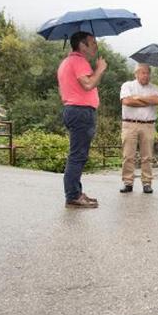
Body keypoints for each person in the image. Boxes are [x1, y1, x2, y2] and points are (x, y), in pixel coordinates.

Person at [57, 31, 107, 208]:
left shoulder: (66, 62)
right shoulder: (78, 61)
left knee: (77, 155)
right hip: (81, 112)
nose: (96, 46)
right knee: (77, 156)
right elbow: (87, 84)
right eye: (92, 42)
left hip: (73, 110)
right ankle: (72, 196)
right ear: (82, 45)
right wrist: (99, 69)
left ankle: (75, 192)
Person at [119, 63, 158, 194]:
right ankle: (128, 183)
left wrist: (138, 98)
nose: (146, 75)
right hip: (129, 124)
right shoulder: (127, 85)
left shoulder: (154, 87)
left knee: (147, 156)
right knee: (128, 155)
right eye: (143, 72)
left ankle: (147, 183)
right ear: (136, 74)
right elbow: (126, 101)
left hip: (148, 125)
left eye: (148, 73)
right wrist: (147, 102)